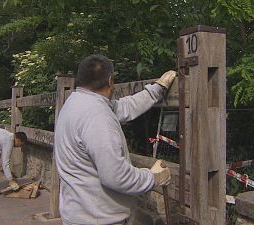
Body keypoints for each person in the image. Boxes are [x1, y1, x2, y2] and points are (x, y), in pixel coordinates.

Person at [54, 54, 174, 225]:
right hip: (99, 219)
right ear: (110, 81)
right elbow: (116, 176)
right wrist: (152, 177)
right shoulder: (97, 116)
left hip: (79, 215)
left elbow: (124, 107)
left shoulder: (76, 103)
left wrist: (156, 90)